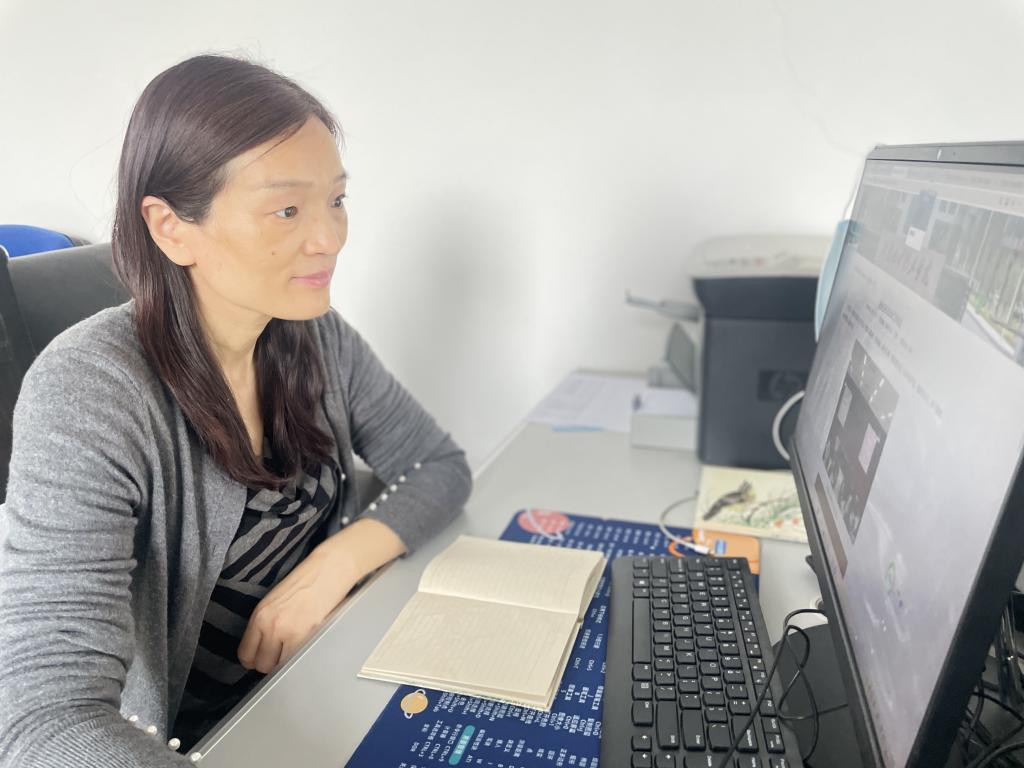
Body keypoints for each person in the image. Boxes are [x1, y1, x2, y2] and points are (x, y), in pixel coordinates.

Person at [0, 54, 472, 766]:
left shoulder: (313, 334)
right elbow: (45, 722)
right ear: (171, 227)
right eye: (287, 210)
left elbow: (438, 465)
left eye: (336, 200)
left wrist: (333, 565)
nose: (329, 237)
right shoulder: (89, 391)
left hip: (325, 675)